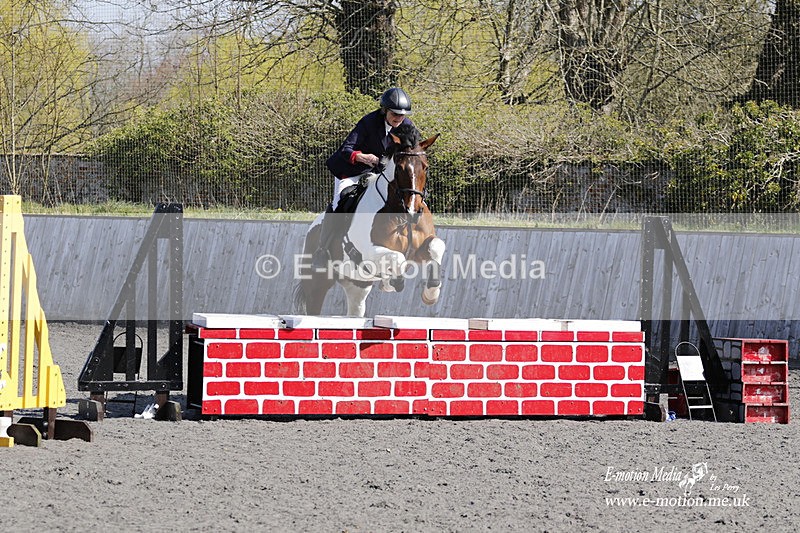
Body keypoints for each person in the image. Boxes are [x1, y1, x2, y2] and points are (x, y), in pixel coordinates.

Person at [311, 87, 416, 271]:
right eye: (394, 114)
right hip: (352, 171)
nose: (398, 119)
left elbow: (414, 152)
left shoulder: (407, 126)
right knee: (339, 203)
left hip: (380, 173)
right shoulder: (369, 122)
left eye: (402, 115)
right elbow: (346, 149)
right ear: (384, 110)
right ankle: (322, 250)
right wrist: (363, 157)